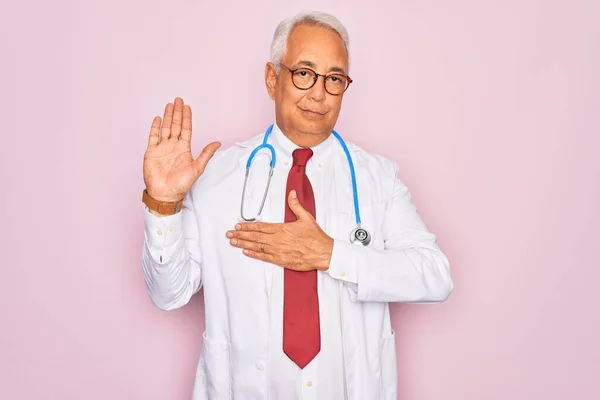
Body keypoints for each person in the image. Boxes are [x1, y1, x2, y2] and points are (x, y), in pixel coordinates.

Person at [140, 10, 453, 400]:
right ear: (273, 79)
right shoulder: (217, 177)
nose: (319, 93)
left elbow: (436, 275)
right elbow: (168, 295)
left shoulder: (377, 177)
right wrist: (163, 203)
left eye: (334, 79)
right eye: (304, 73)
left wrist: (331, 254)